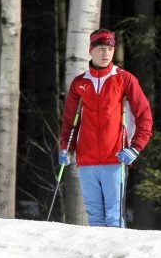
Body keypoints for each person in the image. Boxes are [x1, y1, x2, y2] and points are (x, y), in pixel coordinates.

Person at [59, 29, 153, 228]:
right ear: (91, 51)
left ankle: (115, 257)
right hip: (87, 160)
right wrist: (66, 148)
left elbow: (144, 116)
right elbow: (69, 121)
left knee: (114, 216)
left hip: (116, 158)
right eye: (101, 49)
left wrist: (135, 147)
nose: (106, 53)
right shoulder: (80, 83)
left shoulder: (124, 79)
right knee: (95, 218)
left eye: (110, 49)